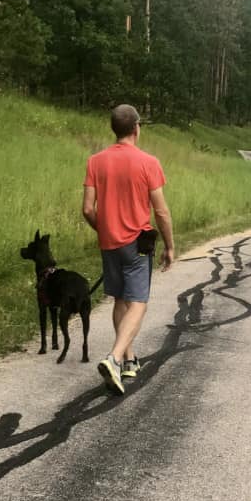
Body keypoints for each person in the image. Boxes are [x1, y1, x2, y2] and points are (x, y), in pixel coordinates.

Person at [82, 104, 174, 394]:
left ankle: (130, 359)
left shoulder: (95, 161)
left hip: (109, 243)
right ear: (136, 128)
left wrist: (106, 230)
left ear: (114, 129)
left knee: (121, 298)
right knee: (139, 302)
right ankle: (114, 357)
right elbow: (161, 212)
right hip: (136, 244)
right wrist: (170, 246)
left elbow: (87, 209)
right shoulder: (148, 162)